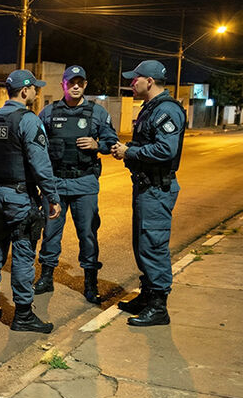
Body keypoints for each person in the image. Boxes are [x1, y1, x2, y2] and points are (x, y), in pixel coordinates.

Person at [0, 69, 62, 333]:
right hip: (20, 198)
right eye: (35, 88)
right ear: (25, 91)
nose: (36, 92)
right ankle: (23, 315)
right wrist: (52, 197)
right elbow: (40, 164)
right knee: (23, 254)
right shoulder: (28, 120)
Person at [34, 66, 119, 304]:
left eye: (80, 82)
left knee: (88, 235)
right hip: (56, 184)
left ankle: (90, 282)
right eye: (72, 82)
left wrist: (97, 145)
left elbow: (112, 143)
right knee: (50, 233)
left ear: (85, 84)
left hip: (85, 184)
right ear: (63, 84)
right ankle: (46, 277)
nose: (76, 86)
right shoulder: (48, 113)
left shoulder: (98, 113)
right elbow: (37, 147)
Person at [111, 60, 186, 327]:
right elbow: (149, 144)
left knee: (153, 245)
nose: (132, 83)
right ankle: (147, 295)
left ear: (149, 82)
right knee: (143, 244)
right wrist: (128, 148)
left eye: (136, 79)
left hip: (157, 189)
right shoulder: (151, 108)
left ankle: (158, 307)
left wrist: (129, 152)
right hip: (146, 187)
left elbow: (166, 150)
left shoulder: (166, 111)